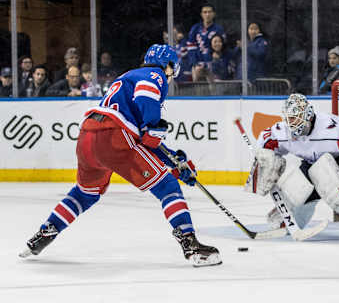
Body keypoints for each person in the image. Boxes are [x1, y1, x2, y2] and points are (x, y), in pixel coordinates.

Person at [19, 44, 221, 267]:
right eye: (173, 69)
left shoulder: (128, 75)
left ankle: (44, 234)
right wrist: (155, 128)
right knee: (168, 187)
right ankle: (191, 246)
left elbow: (145, 142)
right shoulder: (154, 75)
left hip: (88, 135)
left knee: (85, 193)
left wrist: (174, 162)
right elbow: (146, 112)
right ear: (168, 65)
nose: (172, 74)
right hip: (114, 136)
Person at [245, 93, 339, 240]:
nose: (291, 124)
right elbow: (266, 142)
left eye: (295, 119)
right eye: (289, 119)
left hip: (338, 164)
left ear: (308, 115)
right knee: (298, 189)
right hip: (310, 165)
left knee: (329, 183)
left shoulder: (331, 128)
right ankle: (289, 220)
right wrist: (264, 159)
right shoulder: (283, 131)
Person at [186, 4, 226, 70]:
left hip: (213, 64)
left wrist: (217, 54)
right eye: (205, 12)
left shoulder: (219, 29)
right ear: (201, 14)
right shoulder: (195, 28)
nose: (207, 14)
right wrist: (194, 64)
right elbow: (191, 48)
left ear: (214, 14)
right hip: (197, 65)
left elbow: (223, 47)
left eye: (209, 12)